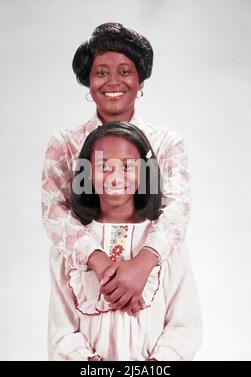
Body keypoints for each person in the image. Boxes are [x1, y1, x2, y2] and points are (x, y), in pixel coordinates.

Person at [41, 22, 191, 318]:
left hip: (153, 277)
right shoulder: (67, 146)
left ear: (140, 81)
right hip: (84, 277)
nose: (113, 82)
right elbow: (53, 211)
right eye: (101, 72)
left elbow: (177, 209)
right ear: (88, 80)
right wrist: (98, 262)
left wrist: (142, 265)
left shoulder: (165, 145)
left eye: (125, 71)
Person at [48, 122, 202, 361]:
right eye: (103, 166)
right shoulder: (71, 245)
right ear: (86, 174)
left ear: (145, 172)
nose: (116, 177)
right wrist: (84, 359)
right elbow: (61, 328)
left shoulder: (166, 242)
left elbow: (185, 324)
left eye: (128, 166)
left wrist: (157, 361)